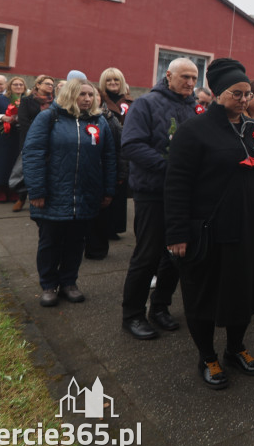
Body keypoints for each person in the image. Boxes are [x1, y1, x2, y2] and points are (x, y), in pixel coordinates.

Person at [164, 58, 254, 390]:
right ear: (218, 93)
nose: (244, 100)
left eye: (249, 94)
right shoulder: (194, 131)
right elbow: (176, 185)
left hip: (248, 233)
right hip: (209, 233)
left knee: (244, 293)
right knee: (204, 297)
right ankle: (207, 355)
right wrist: (176, 233)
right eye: (237, 93)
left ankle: (235, 347)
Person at [119, 57, 199, 340]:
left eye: (194, 78)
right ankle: (132, 315)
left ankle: (160, 307)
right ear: (168, 75)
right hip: (152, 192)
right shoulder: (145, 104)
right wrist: (170, 169)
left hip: (183, 194)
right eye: (185, 77)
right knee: (148, 255)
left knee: (176, 255)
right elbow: (131, 144)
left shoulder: (194, 108)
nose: (190, 83)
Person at [22, 79, 116, 307]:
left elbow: (109, 157)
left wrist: (108, 190)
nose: (87, 99)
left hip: (86, 195)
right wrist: (36, 190)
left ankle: (69, 282)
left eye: (91, 95)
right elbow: (33, 153)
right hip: (52, 194)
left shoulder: (99, 121)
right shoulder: (49, 117)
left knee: (76, 242)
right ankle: (48, 285)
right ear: (70, 95)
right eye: (82, 94)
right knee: (49, 242)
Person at [94, 68, 133, 245]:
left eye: (116, 81)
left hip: (125, 148)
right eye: (109, 81)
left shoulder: (130, 102)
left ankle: (116, 226)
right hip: (107, 146)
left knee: (120, 188)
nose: (113, 84)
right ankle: (105, 227)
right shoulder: (99, 100)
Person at [13, 75, 56, 212]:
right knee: (27, 169)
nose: (50, 86)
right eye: (47, 83)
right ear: (38, 85)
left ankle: (44, 198)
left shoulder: (55, 102)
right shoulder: (27, 100)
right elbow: (23, 121)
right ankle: (21, 198)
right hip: (30, 139)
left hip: (51, 140)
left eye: (52, 84)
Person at [0, 76, 27, 203]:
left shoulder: (27, 100)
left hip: (19, 138)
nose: (18, 87)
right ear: (10, 86)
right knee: (0, 164)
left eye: (21, 85)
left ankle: (14, 191)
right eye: (15, 85)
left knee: (15, 166)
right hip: (2, 137)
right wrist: (2, 118)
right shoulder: (1, 100)